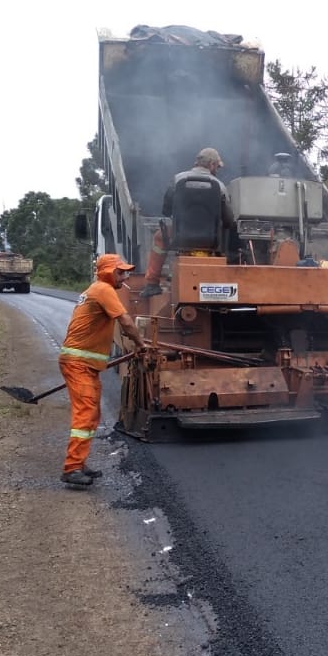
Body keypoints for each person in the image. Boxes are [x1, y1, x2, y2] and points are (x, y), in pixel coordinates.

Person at [58, 253, 149, 486]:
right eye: (120, 272)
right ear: (108, 272)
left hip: (85, 364)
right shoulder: (103, 289)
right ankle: (71, 468)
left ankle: (78, 462)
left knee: (92, 413)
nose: (125, 276)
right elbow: (126, 322)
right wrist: (141, 344)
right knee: (85, 412)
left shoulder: (97, 289)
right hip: (78, 363)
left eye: (125, 271)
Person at [140, 147, 236, 296]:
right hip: (211, 241)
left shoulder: (177, 179)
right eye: (217, 166)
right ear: (211, 165)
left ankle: (152, 284)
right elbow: (229, 221)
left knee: (159, 237)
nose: (217, 169)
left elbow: (166, 211)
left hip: (180, 236)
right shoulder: (220, 186)